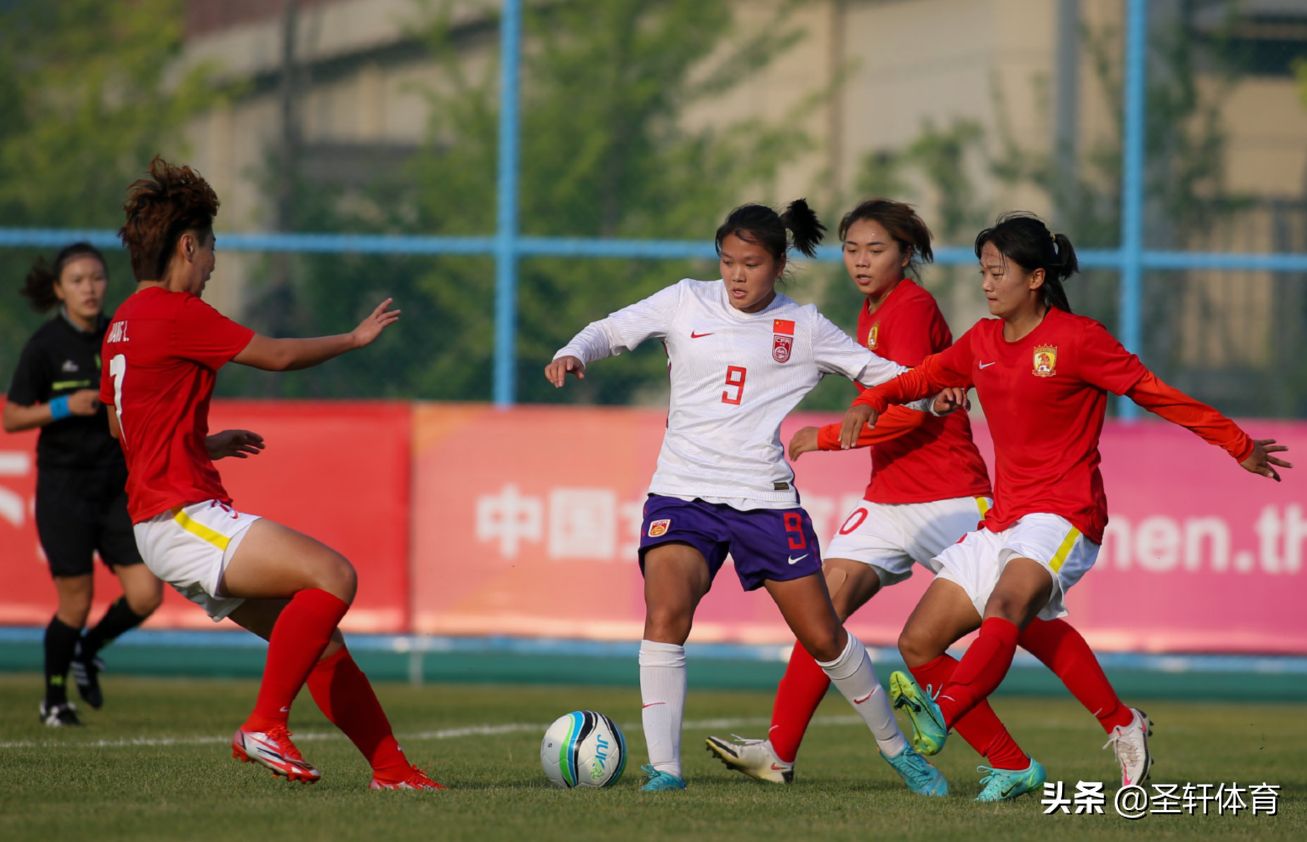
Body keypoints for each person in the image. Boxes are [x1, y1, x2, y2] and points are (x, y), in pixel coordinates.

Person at [705, 200, 1155, 801]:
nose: (861, 263)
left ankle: (1114, 721)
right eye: (852, 250)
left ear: (906, 255)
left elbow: (913, 409)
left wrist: (833, 434)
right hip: (890, 495)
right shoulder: (873, 310)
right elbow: (928, 390)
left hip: (949, 493)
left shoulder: (912, 307)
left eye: (876, 250)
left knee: (1024, 620)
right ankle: (781, 752)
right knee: (823, 611)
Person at [841, 212, 1289, 796]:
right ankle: (1032, 756)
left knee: (1008, 603)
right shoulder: (980, 341)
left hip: (1067, 514)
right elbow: (919, 378)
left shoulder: (1079, 340)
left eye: (997, 271)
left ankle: (942, 713)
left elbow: (1158, 395)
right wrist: (870, 401)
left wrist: (1238, 444)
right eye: (982, 271)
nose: (986, 283)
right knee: (919, 643)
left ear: (1034, 278)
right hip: (1004, 518)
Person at [546, 200, 955, 795]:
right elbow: (612, 329)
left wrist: (931, 397)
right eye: (728, 262)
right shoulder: (686, 299)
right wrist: (575, 351)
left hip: (764, 502)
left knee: (823, 636)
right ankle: (665, 770)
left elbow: (880, 374)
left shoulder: (806, 326)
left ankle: (900, 753)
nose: (737, 275)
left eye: (752, 264)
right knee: (665, 615)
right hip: (682, 495)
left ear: (780, 264)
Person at [100, 156, 440, 790]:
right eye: (211, 250)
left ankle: (392, 770)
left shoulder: (120, 324)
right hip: (181, 515)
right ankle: (264, 725)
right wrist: (353, 338)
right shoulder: (176, 313)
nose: (212, 265)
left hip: (167, 515)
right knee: (335, 575)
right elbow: (277, 355)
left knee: (318, 640)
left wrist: (201, 442)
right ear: (187, 244)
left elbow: (123, 428)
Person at [4, 243, 164, 727]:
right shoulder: (45, 346)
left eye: (96, 278)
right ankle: (54, 700)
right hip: (64, 490)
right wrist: (61, 407)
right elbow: (11, 417)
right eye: (77, 280)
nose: (89, 288)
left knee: (146, 595)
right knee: (74, 601)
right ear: (59, 290)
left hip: (117, 486)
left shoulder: (120, 333)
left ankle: (88, 651)